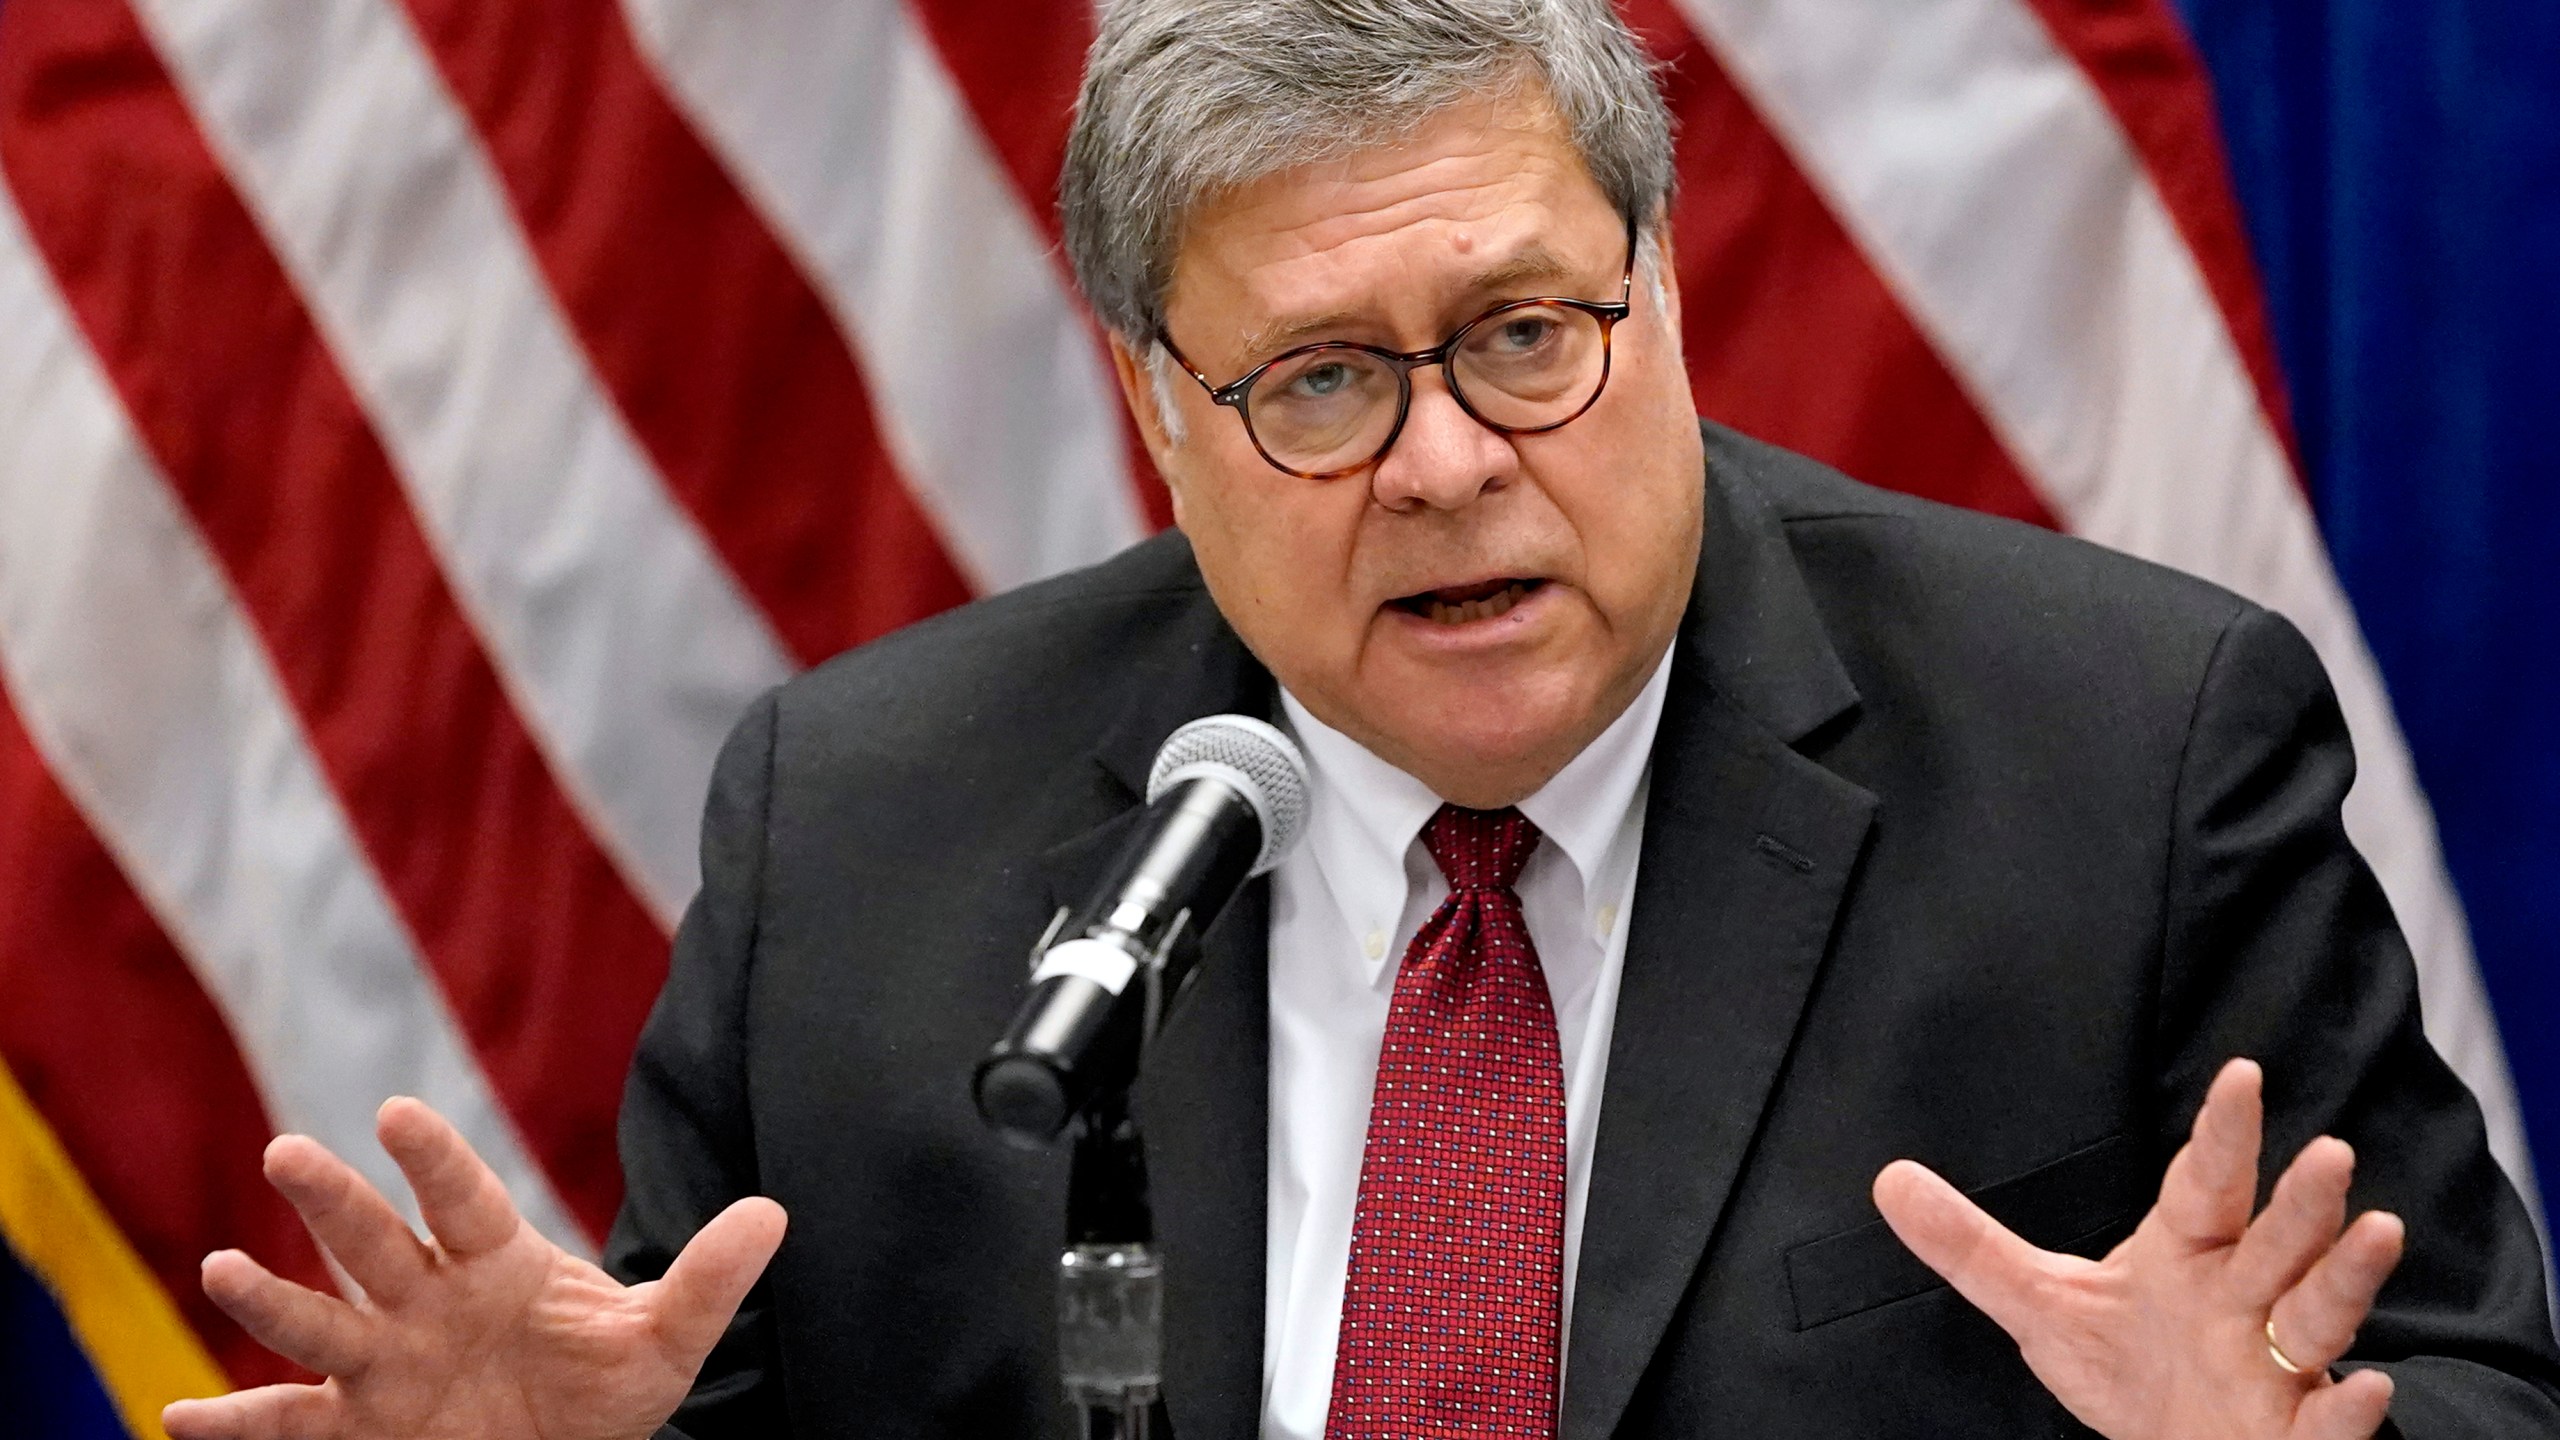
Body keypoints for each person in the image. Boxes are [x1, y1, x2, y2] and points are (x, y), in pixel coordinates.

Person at [163, 2, 2560, 1438]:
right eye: (1317, 378)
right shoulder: (873, 833)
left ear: (1662, 295)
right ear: (1157, 414)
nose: (1441, 459)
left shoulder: (2120, 762)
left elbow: (2459, 1390)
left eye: (1525, 333)